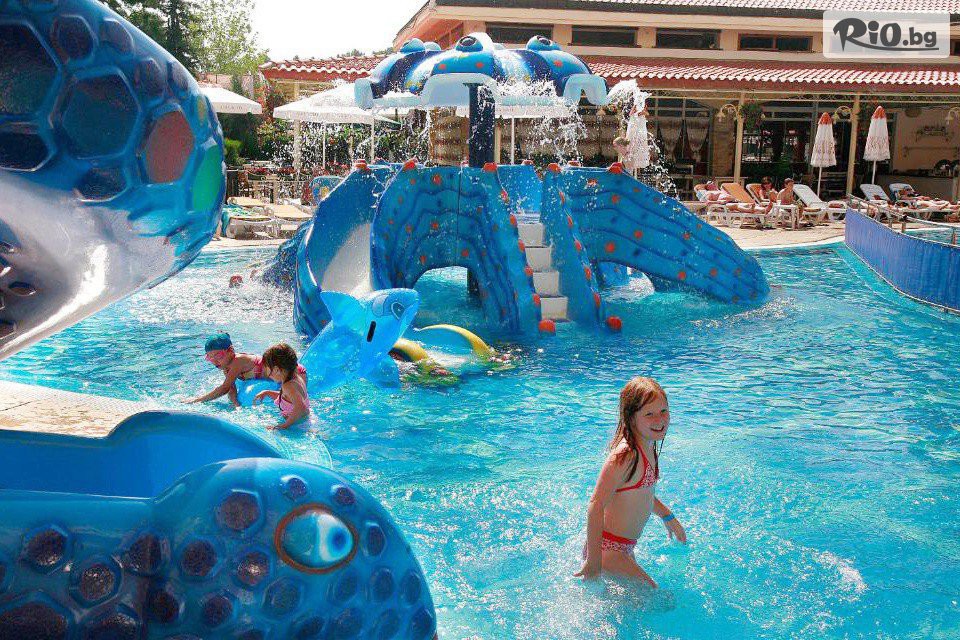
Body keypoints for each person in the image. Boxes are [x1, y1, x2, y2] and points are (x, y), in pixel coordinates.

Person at [575, 377, 686, 588]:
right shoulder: (626, 455)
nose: (659, 419)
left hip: (622, 548)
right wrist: (593, 561)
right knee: (656, 597)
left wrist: (667, 516)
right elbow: (595, 505)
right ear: (631, 418)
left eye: (663, 411)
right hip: (607, 550)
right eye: (649, 414)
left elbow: (642, 493)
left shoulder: (648, 445)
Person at [185, 333, 265, 406]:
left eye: (218, 356)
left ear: (231, 350)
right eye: (210, 358)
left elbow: (224, 388)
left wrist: (197, 400)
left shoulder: (238, 361)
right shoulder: (226, 367)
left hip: (271, 373)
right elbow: (231, 388)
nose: (215, 361)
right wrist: (235, 404)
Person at [253, 343, 310, 430]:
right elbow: (286, 398)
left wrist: (284, 426)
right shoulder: (296, 378)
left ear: (276, 369)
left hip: (298, 426)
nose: (267, 374)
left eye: (267, 368)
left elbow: (301, 407)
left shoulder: (288, 386)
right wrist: (267, 392)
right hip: (303, 421)